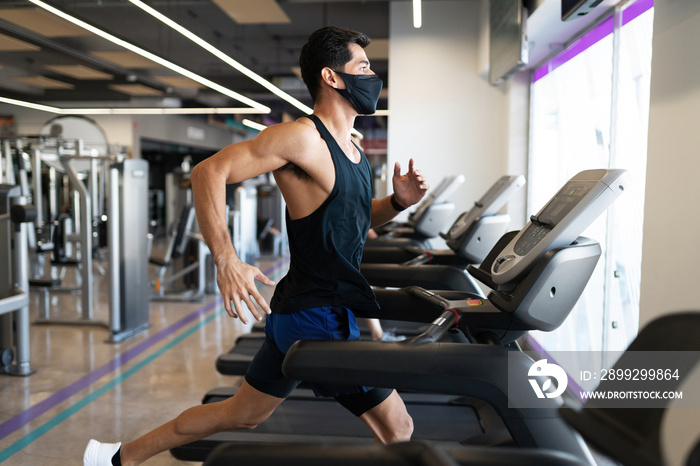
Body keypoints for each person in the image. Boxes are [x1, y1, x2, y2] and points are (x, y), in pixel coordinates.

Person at [84, 25, 428, 466]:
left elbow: (355, 224)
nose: (371, 76)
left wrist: (398, 202)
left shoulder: (355, 148)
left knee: (242, 414)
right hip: (316, 315)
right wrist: (226, 259)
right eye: (362, 66)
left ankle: (118, 458)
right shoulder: (302, 137)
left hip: (306, 309)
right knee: (398, 428)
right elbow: (207, 173)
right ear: (332, 77)